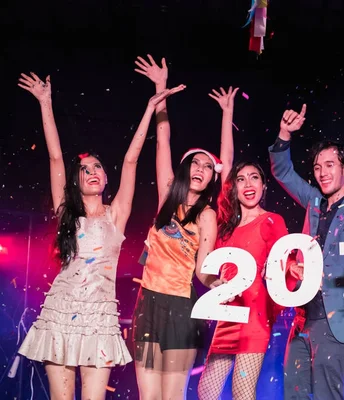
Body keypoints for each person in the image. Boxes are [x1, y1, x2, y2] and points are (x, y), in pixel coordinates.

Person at [16, 71, 183, 400]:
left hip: (99, 319)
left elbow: (131, 159)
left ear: (107, 177)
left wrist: (150, 108)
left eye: (97, 168)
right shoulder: (67, 212)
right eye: (85, 169)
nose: (92, 172)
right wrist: (46, 104)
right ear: (76, 181)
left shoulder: (116, 214)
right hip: (60, 314)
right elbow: (53, 157)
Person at [269, 103, 344, 400]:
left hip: (339, 320)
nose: (322, 173)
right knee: (293, 395)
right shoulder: (315, 202)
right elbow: (282, 170)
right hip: (303, 319)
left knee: (325, 396)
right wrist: (284, 134)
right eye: (318, 167)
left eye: (330, 165)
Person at [197, 87, 299, 400]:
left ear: (263, 185)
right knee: (206, 392)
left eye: (254, 177)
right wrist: (227, 113)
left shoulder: (272, 221)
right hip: (229, 315)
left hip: (255, 318)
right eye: (241, 180)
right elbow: (224, 166)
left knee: (243, 393)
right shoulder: (225, 225)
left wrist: (298, 269)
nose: (247, 184)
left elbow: (287, 264)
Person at [131, 55, 220, 400]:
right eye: (195, 163)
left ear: (213, 178)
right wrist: (159, 90)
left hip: (183, 310)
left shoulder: (207, 215)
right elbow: (163, 137)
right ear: (185, 169)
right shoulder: (167, 193)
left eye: (207, 167)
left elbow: (202, 270)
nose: (200, 169)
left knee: (172, 397)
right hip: (148, 305)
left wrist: (223, 283)